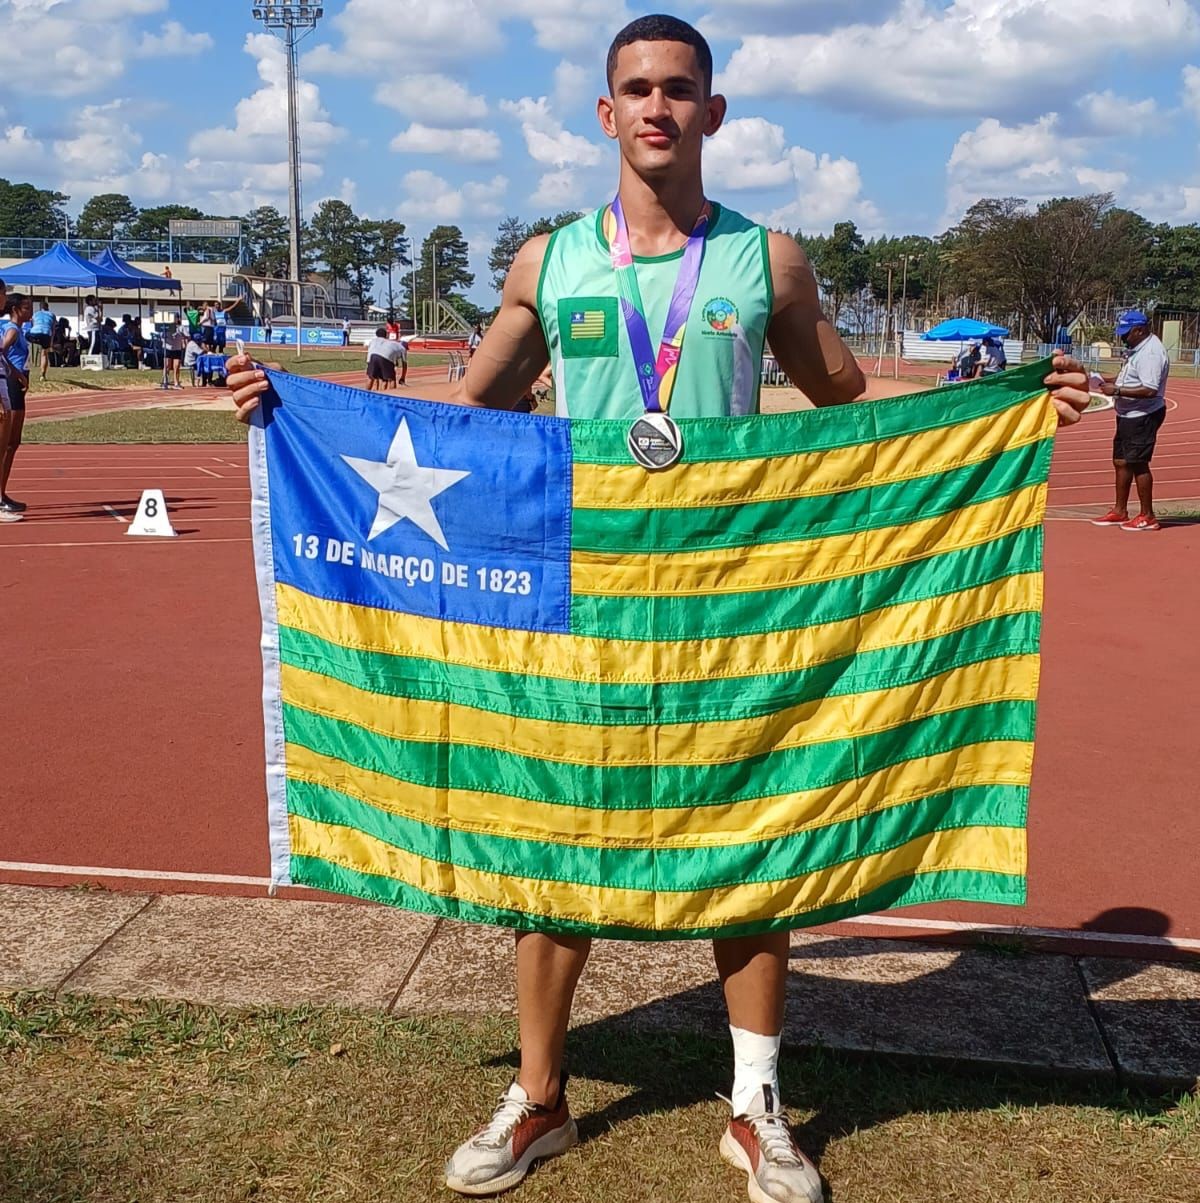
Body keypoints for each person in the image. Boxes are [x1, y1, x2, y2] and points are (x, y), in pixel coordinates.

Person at [226, 15, 1092, 1202]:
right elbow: (456, 414)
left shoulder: (770, 261)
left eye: (679, 91)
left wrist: (1004, 405)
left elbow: (849, 401)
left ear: (712, 114)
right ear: (604, 112)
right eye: (635, 89)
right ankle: (539, 1098)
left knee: (752, 831)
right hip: (578, 596)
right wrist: (290, 404)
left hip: (726, 602)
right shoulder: (547, 261)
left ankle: (755, 1108)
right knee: (550, 832)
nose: (656, 109)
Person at [1091, 310, 1169, 532]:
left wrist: (1116, 389)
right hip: (1127, 414)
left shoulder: (1151, 354)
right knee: (1121, 461)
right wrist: (1105, 380)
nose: (1123, 338)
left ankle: (1148, 516)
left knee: (1138, 463)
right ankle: (1119, 510)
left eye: (1127, 333)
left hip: (1143, 415)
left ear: (1140, 330)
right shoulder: (1137, 350)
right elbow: (1130, 377)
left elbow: (1149, 389)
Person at [0, 292, 33, 516]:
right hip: (10, 386)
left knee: (13, 444)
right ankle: (0, 496)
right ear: (15, 310)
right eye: (26, 308)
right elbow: (2, 351)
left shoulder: (19, 329)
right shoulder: (12, 330)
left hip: (15, 386)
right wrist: (17, 374)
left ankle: (2, 493)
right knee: (7, 444)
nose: (30, 312)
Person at [363, 326, 407, 391]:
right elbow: (404, 365)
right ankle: (392, 396)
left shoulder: (374, 341)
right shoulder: (403, 349)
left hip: (372, 356)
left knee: (371, 378)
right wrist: (402, 378)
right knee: (391, 379)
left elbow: (370, 355)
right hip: (385, 357)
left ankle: (365, 394)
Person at [28, 302, 54, 380]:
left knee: (26, 336)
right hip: (46, 334)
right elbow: (53, 329)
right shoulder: (52, 315)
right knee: (44, 354)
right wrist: (51, 341)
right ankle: (42, 375)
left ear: (40, 308)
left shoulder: (35, 314)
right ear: (48, 307)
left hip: (34, 334)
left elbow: (32, 324)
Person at [161, 318, 187, 390]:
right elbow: (162, 337)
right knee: (167, 365)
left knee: (177, 366)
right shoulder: (166, 327)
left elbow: (187, 336)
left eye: (176, 318)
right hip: (168, 348)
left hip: (177, 348)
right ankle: (165, 382)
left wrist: (182, 337)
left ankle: (176, 383)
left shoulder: (181, 327)